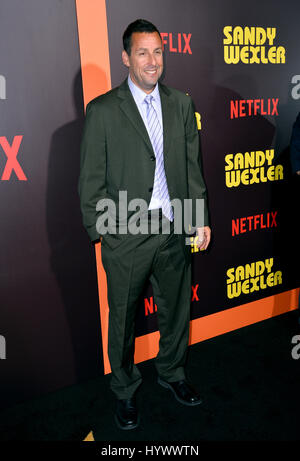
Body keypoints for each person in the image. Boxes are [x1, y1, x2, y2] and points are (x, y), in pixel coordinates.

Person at [78, 19, 211, 430]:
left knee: (176, 312)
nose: (152, 61)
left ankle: (173, 373)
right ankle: (124, 391)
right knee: (122, 320)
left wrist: (198, 220)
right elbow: (90, 179)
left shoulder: (180, 103)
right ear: (125, 57)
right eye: (142, 52)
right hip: (127, 235)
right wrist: (105, 233)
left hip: (174, 228)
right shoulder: (102, 110)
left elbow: (191, 167)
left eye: (157, 52)